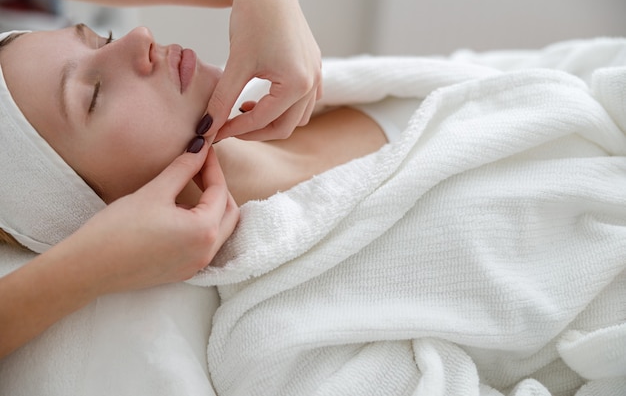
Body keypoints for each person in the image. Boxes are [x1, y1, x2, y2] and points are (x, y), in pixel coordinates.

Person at [0, 25, 413, 358]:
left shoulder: (321, 86)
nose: (138, 37)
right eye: (94, 96)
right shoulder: (292, 328)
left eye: (101, 38)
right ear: (104, 213)